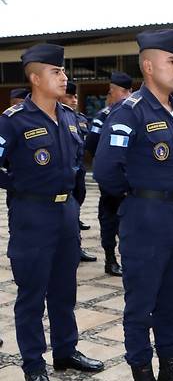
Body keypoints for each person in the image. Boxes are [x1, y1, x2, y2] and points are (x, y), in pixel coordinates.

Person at [94, 29, 173, 381]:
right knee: (141, 304)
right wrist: (138, 199)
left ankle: (170, 370)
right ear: (148, 66)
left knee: (172, 300)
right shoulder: (129, 111)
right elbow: (107, 171)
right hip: (145, 217)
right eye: (172, 61)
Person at [0, 43, 104, 381]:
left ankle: (65, 350)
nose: (64, 78)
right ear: (35, 77)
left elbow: (77, 166)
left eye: (64, 72)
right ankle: (33, 364)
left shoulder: (73, 119)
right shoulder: (14, 120)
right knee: (32, 293)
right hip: (31, 213)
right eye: (56, 72)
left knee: (64, 289)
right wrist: (18, 185)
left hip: (66, 212)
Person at [86, 71, 133, 276]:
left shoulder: (136, 113)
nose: (109, 95)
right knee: (109, 219)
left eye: (112, 91)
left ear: (125, 92)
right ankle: (110, 258)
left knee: (132, 223)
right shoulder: (103, 116)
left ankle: (131, 257)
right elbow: (92, 144)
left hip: (132, 179)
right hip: (111, 179)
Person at [60, 81, 98, 263]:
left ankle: (76, 247)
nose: (74, 100)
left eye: (75, 96)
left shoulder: (81, 119)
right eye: (69, 96)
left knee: (75, 211)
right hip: (61, 173)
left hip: (79, 171)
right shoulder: (55, 118)